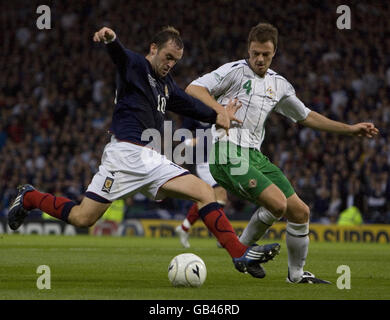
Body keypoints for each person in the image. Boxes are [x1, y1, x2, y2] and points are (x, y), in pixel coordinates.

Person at [8, 26, 281, 278]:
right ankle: (30, 197)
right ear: (153, 49)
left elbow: (189, 105)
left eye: (175, 60)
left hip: (148, 158)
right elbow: (121, 56)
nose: (170, 64)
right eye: (167, 57)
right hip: (125, 154)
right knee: (83, 217)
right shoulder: (137, 66)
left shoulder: (165, 84)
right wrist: (111, 40)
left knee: (203, 192)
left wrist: (218, 115)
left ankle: (239, 254)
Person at [185, 22, 379, 284]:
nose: (260, 59)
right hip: (226, 152)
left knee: (300, 212)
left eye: (265, 54)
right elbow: (193, 89)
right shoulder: (233, 72)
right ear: (249, 50)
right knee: (278, 203)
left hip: (254, 155)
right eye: (255, 53)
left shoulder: (279, 85)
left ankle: (295, 275)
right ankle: (241, 252)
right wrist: (220, 112)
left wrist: (349, 129)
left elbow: (306, 116)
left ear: (274, 51)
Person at [174, 118, 228, 248]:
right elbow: (181, 133)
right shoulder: (196, 109)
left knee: (209, 198)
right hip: (204, 162)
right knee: (220, 194)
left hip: (217, 160)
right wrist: (189, 141)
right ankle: (222, 236)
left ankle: (185, 227)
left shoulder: (216, 108)